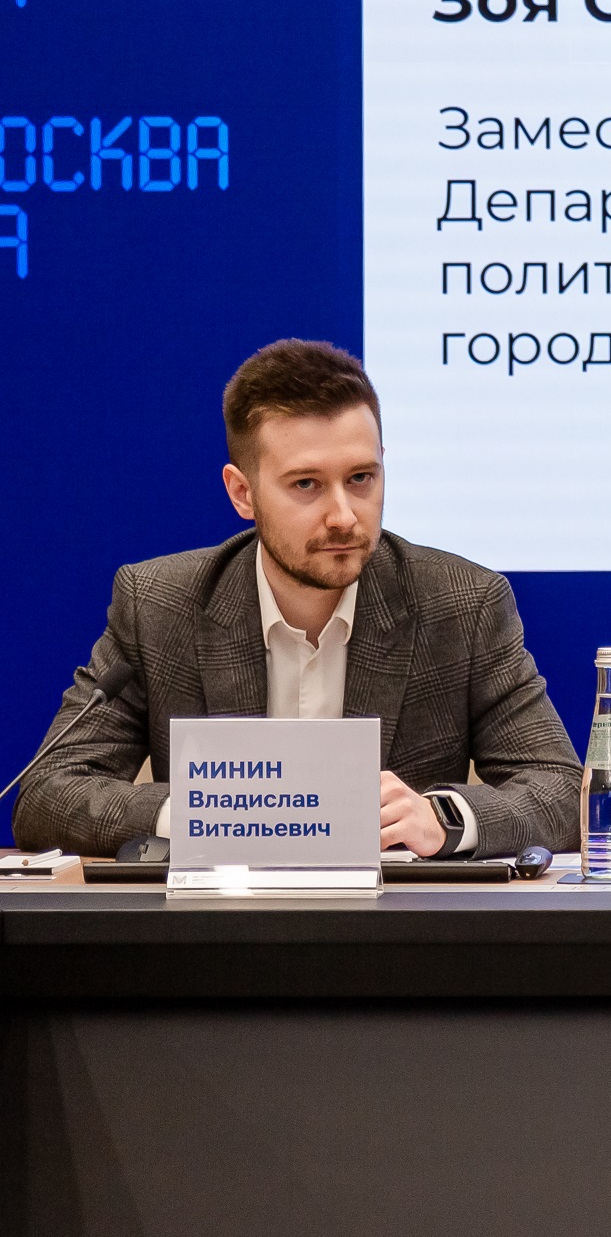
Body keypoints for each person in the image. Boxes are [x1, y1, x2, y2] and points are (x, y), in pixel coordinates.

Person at [13, 340, 582, 858]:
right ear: (243, 493)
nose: (344, 516)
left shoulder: (462, 604)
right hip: (217, 930)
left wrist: (443, 818)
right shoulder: (159, 605)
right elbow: (45, 794)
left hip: (394, 932)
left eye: (361, 478)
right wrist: (196, 813)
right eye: (306, 484)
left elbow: (560, 791)